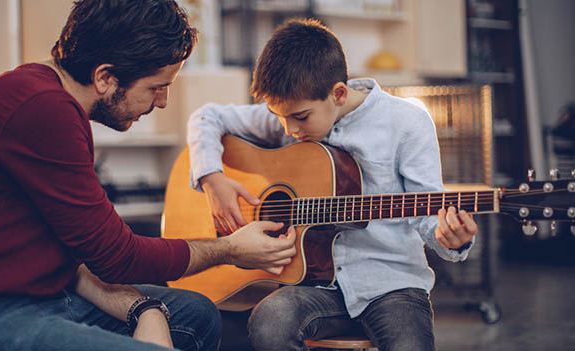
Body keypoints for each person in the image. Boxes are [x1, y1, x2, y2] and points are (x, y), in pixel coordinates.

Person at [0, 1, 296, 350]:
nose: (163, 101)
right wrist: (231, 249)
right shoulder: (41, 108)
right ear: (105, 77)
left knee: (197, 314)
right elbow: (117, 257)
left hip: (52, 291)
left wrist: (145, 308)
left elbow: (81, 254)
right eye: (156, 87)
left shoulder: (49, 98)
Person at [187, 18, 479, 351]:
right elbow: (206, 117)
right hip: (314, 286)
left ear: (338, 93)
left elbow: (428, 215)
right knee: (271, 320)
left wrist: (451, 239)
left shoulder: (407, 123)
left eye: (300, 117)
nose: (287, 129)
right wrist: (212, 179)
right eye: (278, 115)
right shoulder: (289, 113)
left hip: (392, 285)